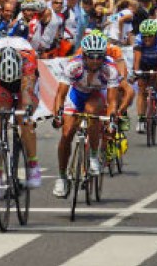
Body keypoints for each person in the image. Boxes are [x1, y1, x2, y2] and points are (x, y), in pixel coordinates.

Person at [51, 33, 120, 198]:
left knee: (92, 112)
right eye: (91, 57)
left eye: (99, 57)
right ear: (84, 55)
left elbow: (112, 101)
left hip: (95, 96)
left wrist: (111, 121)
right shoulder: (74, 65)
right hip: (76, 96)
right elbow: (60, 95)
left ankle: (94, 156)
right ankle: (61, 177)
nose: (95, 61)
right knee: (67, 133)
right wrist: (58, 115)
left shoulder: (110, 68)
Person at [0, 40, 42, 197]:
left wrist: (27, 110)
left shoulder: (28, 59)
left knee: (24, 118)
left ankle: (33, 165)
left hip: (25, 79)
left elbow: (26, 95)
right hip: (2, 83)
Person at [132, 19, 157, 133]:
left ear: (156, 34)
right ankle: (141, 119)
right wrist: (136, 70)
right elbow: (137, 57)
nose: (147, 39)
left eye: (150, 36)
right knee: (141, 88)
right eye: (145, 36)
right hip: (144, 63)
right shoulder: (139, 39)